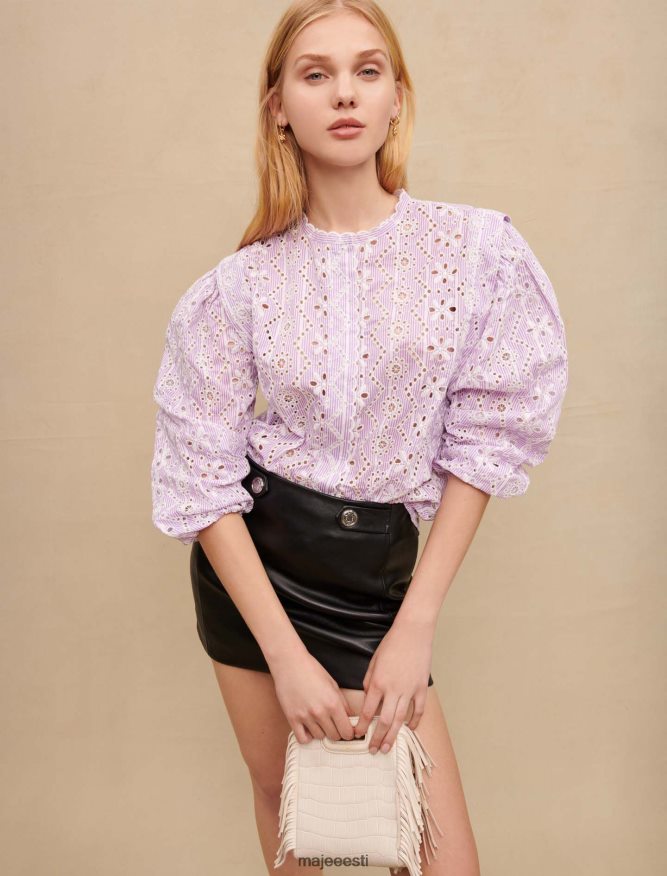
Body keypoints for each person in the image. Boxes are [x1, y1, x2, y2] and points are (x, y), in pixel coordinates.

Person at [150, 2, 568, 873]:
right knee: (295, 819)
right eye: (316, 74)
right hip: (255, 573)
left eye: (366, 71)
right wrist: (284, 656)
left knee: (441, 858)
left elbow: (483, 442)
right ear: (278, 107)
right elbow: (200, 473)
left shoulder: (473, 252)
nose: (344, 93)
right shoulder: (237, 288)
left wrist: (414, 625)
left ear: (395, 98)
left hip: (376, 574)